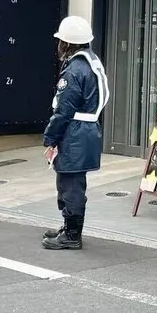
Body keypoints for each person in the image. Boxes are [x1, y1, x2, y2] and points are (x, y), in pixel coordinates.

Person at [41, 15, 110, 251]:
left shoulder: (74, 71)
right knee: (72, 182)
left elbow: (63, 110)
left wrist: (50, 138)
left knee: (70, 185)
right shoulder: (91, 62)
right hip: (87, 129)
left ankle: (72, 234)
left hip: (75, 133)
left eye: (61, 41)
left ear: (67, 43)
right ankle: (68, 227)